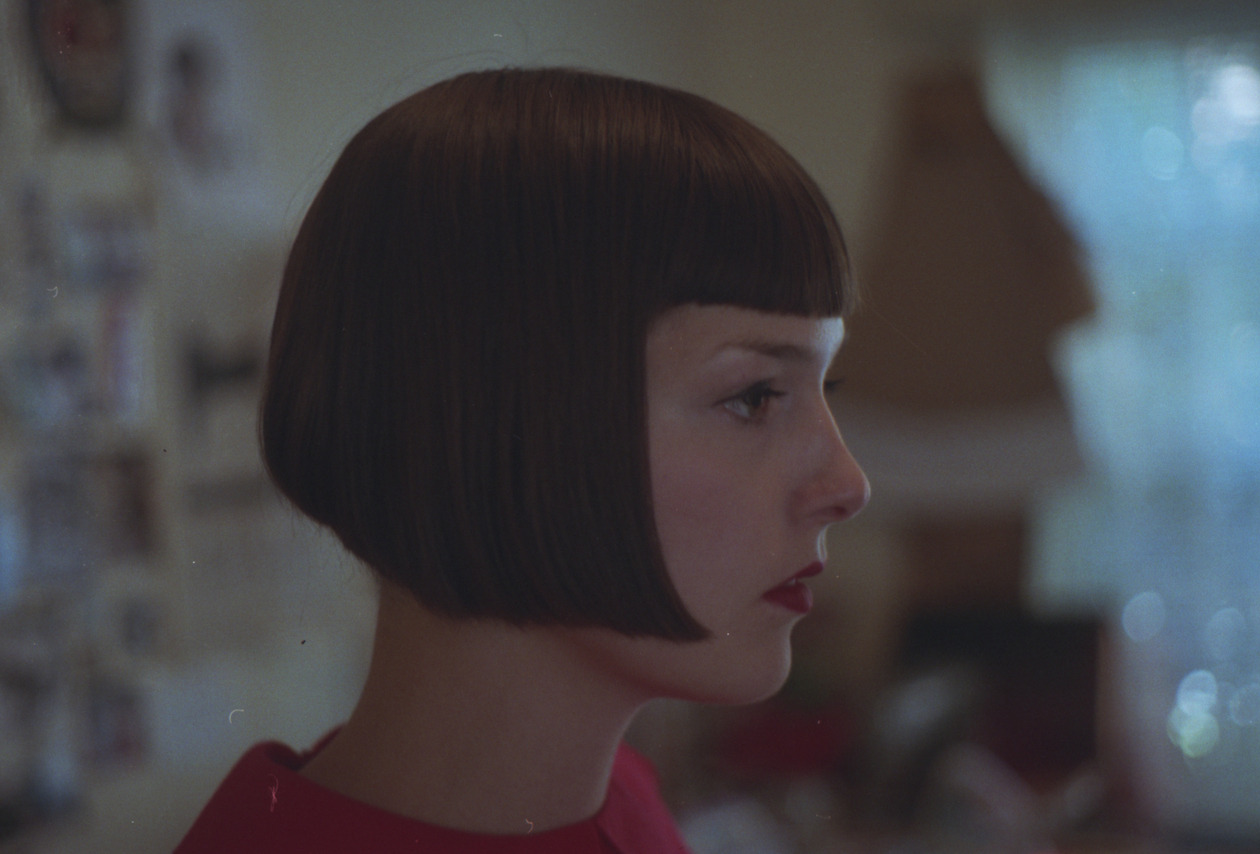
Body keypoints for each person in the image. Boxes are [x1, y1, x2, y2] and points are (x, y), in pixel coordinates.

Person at [175, 66, 869, 853]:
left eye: (824, 387)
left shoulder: (620, 802)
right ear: (502, 417)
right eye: (754, 396)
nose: (847, 485)